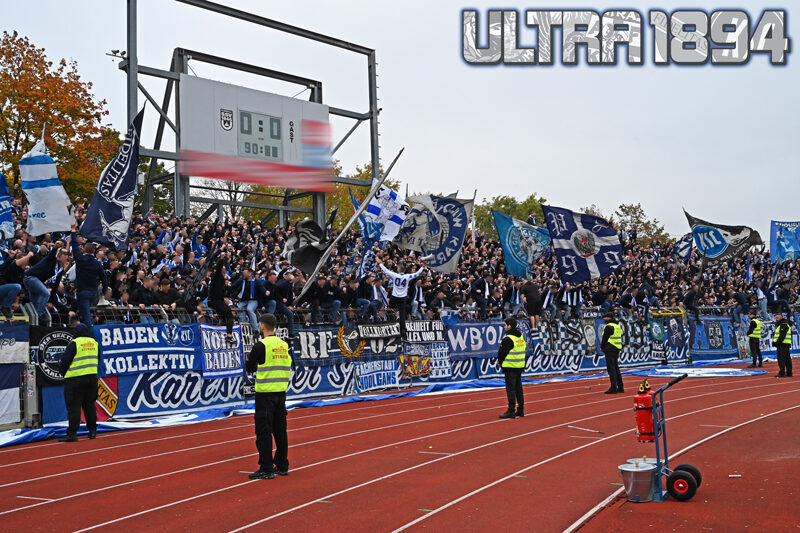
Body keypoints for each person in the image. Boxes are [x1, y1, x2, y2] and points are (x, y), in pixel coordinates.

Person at [245, 314, 291, 479]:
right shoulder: (284, 345)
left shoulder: (261, 346)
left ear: (263, 326)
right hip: (281, 393)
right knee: (280, 431)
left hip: (265, 394)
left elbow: (249, 367)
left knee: (264, 432)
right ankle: (282, 465)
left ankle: (266, 467)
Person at [57, 323, 99, 442]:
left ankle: (72, 434)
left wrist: (64, 374)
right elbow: (98, 359)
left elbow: (65, 362)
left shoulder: (74, 344)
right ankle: (92, 431)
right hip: (92, 378)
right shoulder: (94, 343)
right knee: (89, 406)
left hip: (75, 380)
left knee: (74, 407)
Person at [71, 221, 109, 325]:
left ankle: (89, 334)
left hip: (82, 292)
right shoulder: (97, 264)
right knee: (86, 313)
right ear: (94, 252)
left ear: (83, 249)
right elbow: (104, 277)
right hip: (93, 293)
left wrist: (73, 231)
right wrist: (105, 289)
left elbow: (74, 245)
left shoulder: (80, 259)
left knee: (86, 316)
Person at [497, 317, 526, 419]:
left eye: (505, 325)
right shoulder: (520, 337)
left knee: (511, 389)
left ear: (509, 326)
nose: (504, 327)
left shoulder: (508, 339)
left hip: (510, 367)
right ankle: (521, 410)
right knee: (519, 389)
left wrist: (500, 362)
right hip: (519, 366)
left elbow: (502, 353)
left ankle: (511, 411)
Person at [600, 312, 624, 394]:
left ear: (609, 318)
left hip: (610, 348)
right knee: (616, 368)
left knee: (611, 369)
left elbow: (605, 339)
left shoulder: (609, 326)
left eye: (605, 318)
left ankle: (613, 388)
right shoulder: (617, 326)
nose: (604, 319)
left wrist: (602, 347)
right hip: (617, 348)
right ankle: (620, 387)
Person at [772, 312, 793, 378]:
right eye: (775, 318)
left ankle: (782, 372)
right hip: (785, 344)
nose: (776, 319)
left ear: (781, 317)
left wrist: (777, 343)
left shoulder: (783, 324)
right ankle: (789, 372)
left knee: (781, 359)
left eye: (777, 317)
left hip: (782, 344)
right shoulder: (784, 324)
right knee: (787, 359)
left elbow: (782, 335)